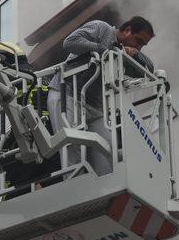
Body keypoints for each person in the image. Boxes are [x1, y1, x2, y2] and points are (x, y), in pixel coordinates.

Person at [47, 16, 155, 176]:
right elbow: (69, 42)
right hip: (67, 94)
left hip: (95, 107)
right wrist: (103, 49)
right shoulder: (101, 28)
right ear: (127, 30)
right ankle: (76, 191)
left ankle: (105, 193)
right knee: (71, 147)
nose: (139, 47)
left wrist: (135, 55)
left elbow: (149, 69)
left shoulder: (124, 53)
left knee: (108, 147)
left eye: (142, 45)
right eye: (138, 41)